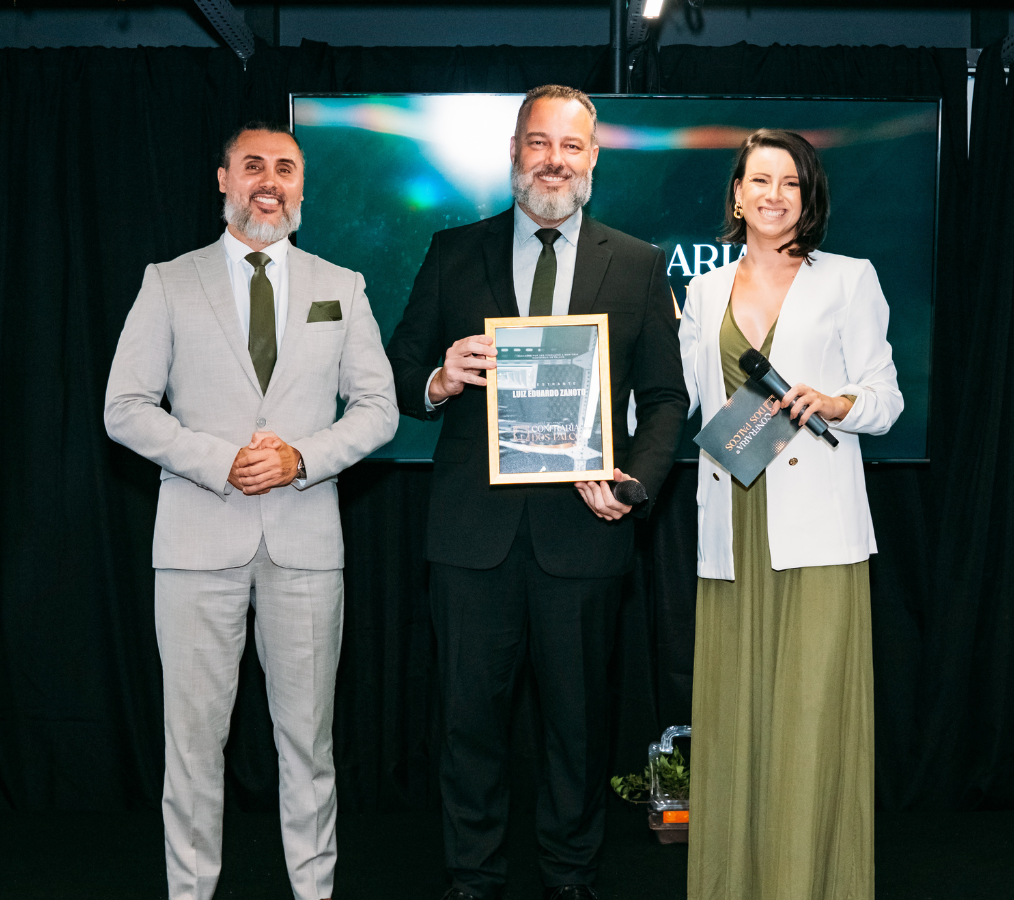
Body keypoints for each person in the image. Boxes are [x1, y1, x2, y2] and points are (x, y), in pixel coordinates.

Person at [386, 85, 688, 900]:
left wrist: (634, 484)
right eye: (539, 142)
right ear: (514, 151)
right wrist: (439, 379)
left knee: (579, 731)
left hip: (585, 534)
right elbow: (398, 369)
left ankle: (572, 877)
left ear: (593, 158)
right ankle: (473, 880)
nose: (554, 159)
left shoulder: (637, 263)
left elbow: (666, 401)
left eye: (572, 145)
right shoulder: (453, 252)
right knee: (466, 725)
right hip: (470, 538)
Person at [103, 121, 398, 900]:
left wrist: (301, 457)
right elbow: (124, 407)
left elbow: (379, 410)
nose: (271, 180)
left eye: (287, 168)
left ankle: (314, 892)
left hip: (305, 546)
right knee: (194, 747)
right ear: (224, 180)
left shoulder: (344, 285)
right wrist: (218, 459)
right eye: (255, 166)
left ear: (302, 186)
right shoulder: (168, 281)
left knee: (308, 744)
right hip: (198, 544)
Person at [678, 129, 902, 900]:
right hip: (730, 525)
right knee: (735, 725)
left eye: (791, 184)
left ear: (809, 199)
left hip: (818, 532)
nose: (774, 196)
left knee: (810, 725)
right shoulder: (703, 293)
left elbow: (887, 399)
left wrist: (838, 400)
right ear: (736, 195)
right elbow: (678, 400)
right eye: (759, 181)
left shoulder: (850, 280)